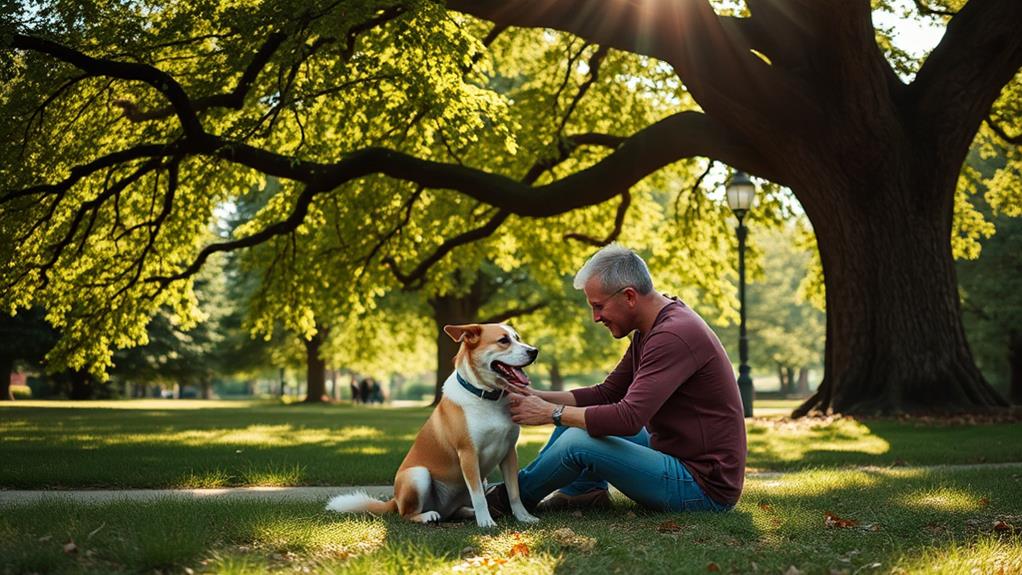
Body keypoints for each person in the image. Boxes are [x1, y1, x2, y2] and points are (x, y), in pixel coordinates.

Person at [488, 244, 746, 514]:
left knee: (577, 440)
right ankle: (584, 492)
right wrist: (534, 396)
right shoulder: (653, 327)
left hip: (702, 488)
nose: (595, 317)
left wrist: (552, 413)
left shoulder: (672, 335)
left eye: (599, 306)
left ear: (630, 297)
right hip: (672, 455)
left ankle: (507, 499)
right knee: (575, 421)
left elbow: (629, 417)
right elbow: (607, 393)